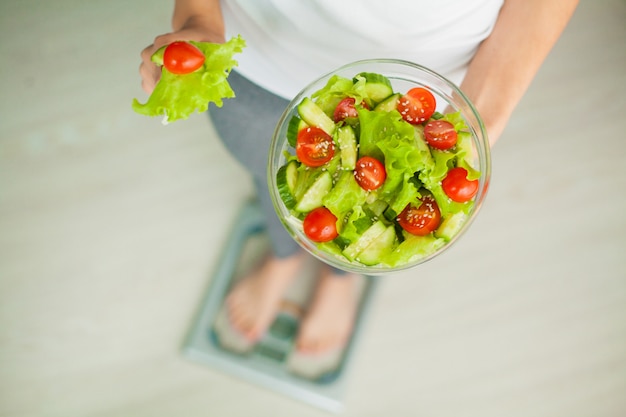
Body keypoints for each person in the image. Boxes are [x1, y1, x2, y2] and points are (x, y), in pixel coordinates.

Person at [139, 0, 579, 358]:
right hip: (257, 56)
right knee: (272, 184)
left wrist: (482, 116)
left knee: (393, 227)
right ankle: (284, 255)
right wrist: (198, 18)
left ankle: (341, 278)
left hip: (423, 87)